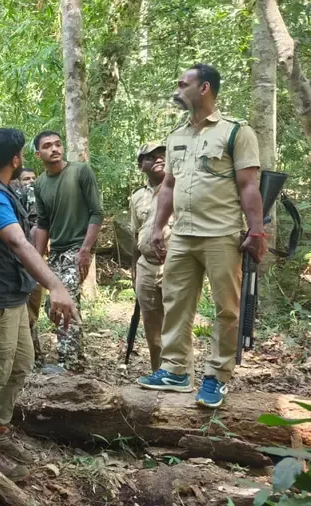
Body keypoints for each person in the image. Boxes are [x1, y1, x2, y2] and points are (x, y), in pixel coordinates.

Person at [137, 63, 265, 408]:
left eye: (183, 84)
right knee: (175, 303)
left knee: (226, 309)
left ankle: (217, 376)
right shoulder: (176, 136)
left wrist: (256, 230)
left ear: (204, 88)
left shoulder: (235, 132)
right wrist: (158, 226)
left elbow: (249, 185)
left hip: (221, 234)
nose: (177, 89)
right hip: (182, 234)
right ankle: (175, 370)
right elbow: (168, 185)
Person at [0, 129, 77, 481]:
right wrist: (55, 285)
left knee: (20, 364)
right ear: (16, 159)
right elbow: (17, 242)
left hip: (10, 294)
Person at [32, 131, 104, 371]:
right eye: (47, 146)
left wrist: (86, 250)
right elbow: (43, 223)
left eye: (57, 144)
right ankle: (75, 356)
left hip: (77, 248)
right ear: (38, 154)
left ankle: (70, 364)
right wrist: (36, 259)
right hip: (56, 252)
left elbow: (96, 212)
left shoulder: (80, 171)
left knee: (65, 301)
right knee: (50, 306)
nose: (54, 149)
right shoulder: (40, 184)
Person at [128, 143, 169, 372]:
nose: (158, 159)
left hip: (175, 265)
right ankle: (158, 374)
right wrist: (134, 269)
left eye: (162, 155)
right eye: (151, 157)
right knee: (153, 332)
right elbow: (136, 235)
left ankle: (182, 377)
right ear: (140, 165)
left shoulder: (179, 189)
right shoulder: (137, 197)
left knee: (177, 327)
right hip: (146, 265)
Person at [10, 167, 44, 363]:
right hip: (21, 259)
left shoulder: (37, 196)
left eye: (33, 178)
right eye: (26, 179)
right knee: (26, 311)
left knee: (32, 310)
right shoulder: (14, 196)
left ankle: (34, 355)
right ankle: (31, 356)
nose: (31, 182)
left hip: (34, 257)